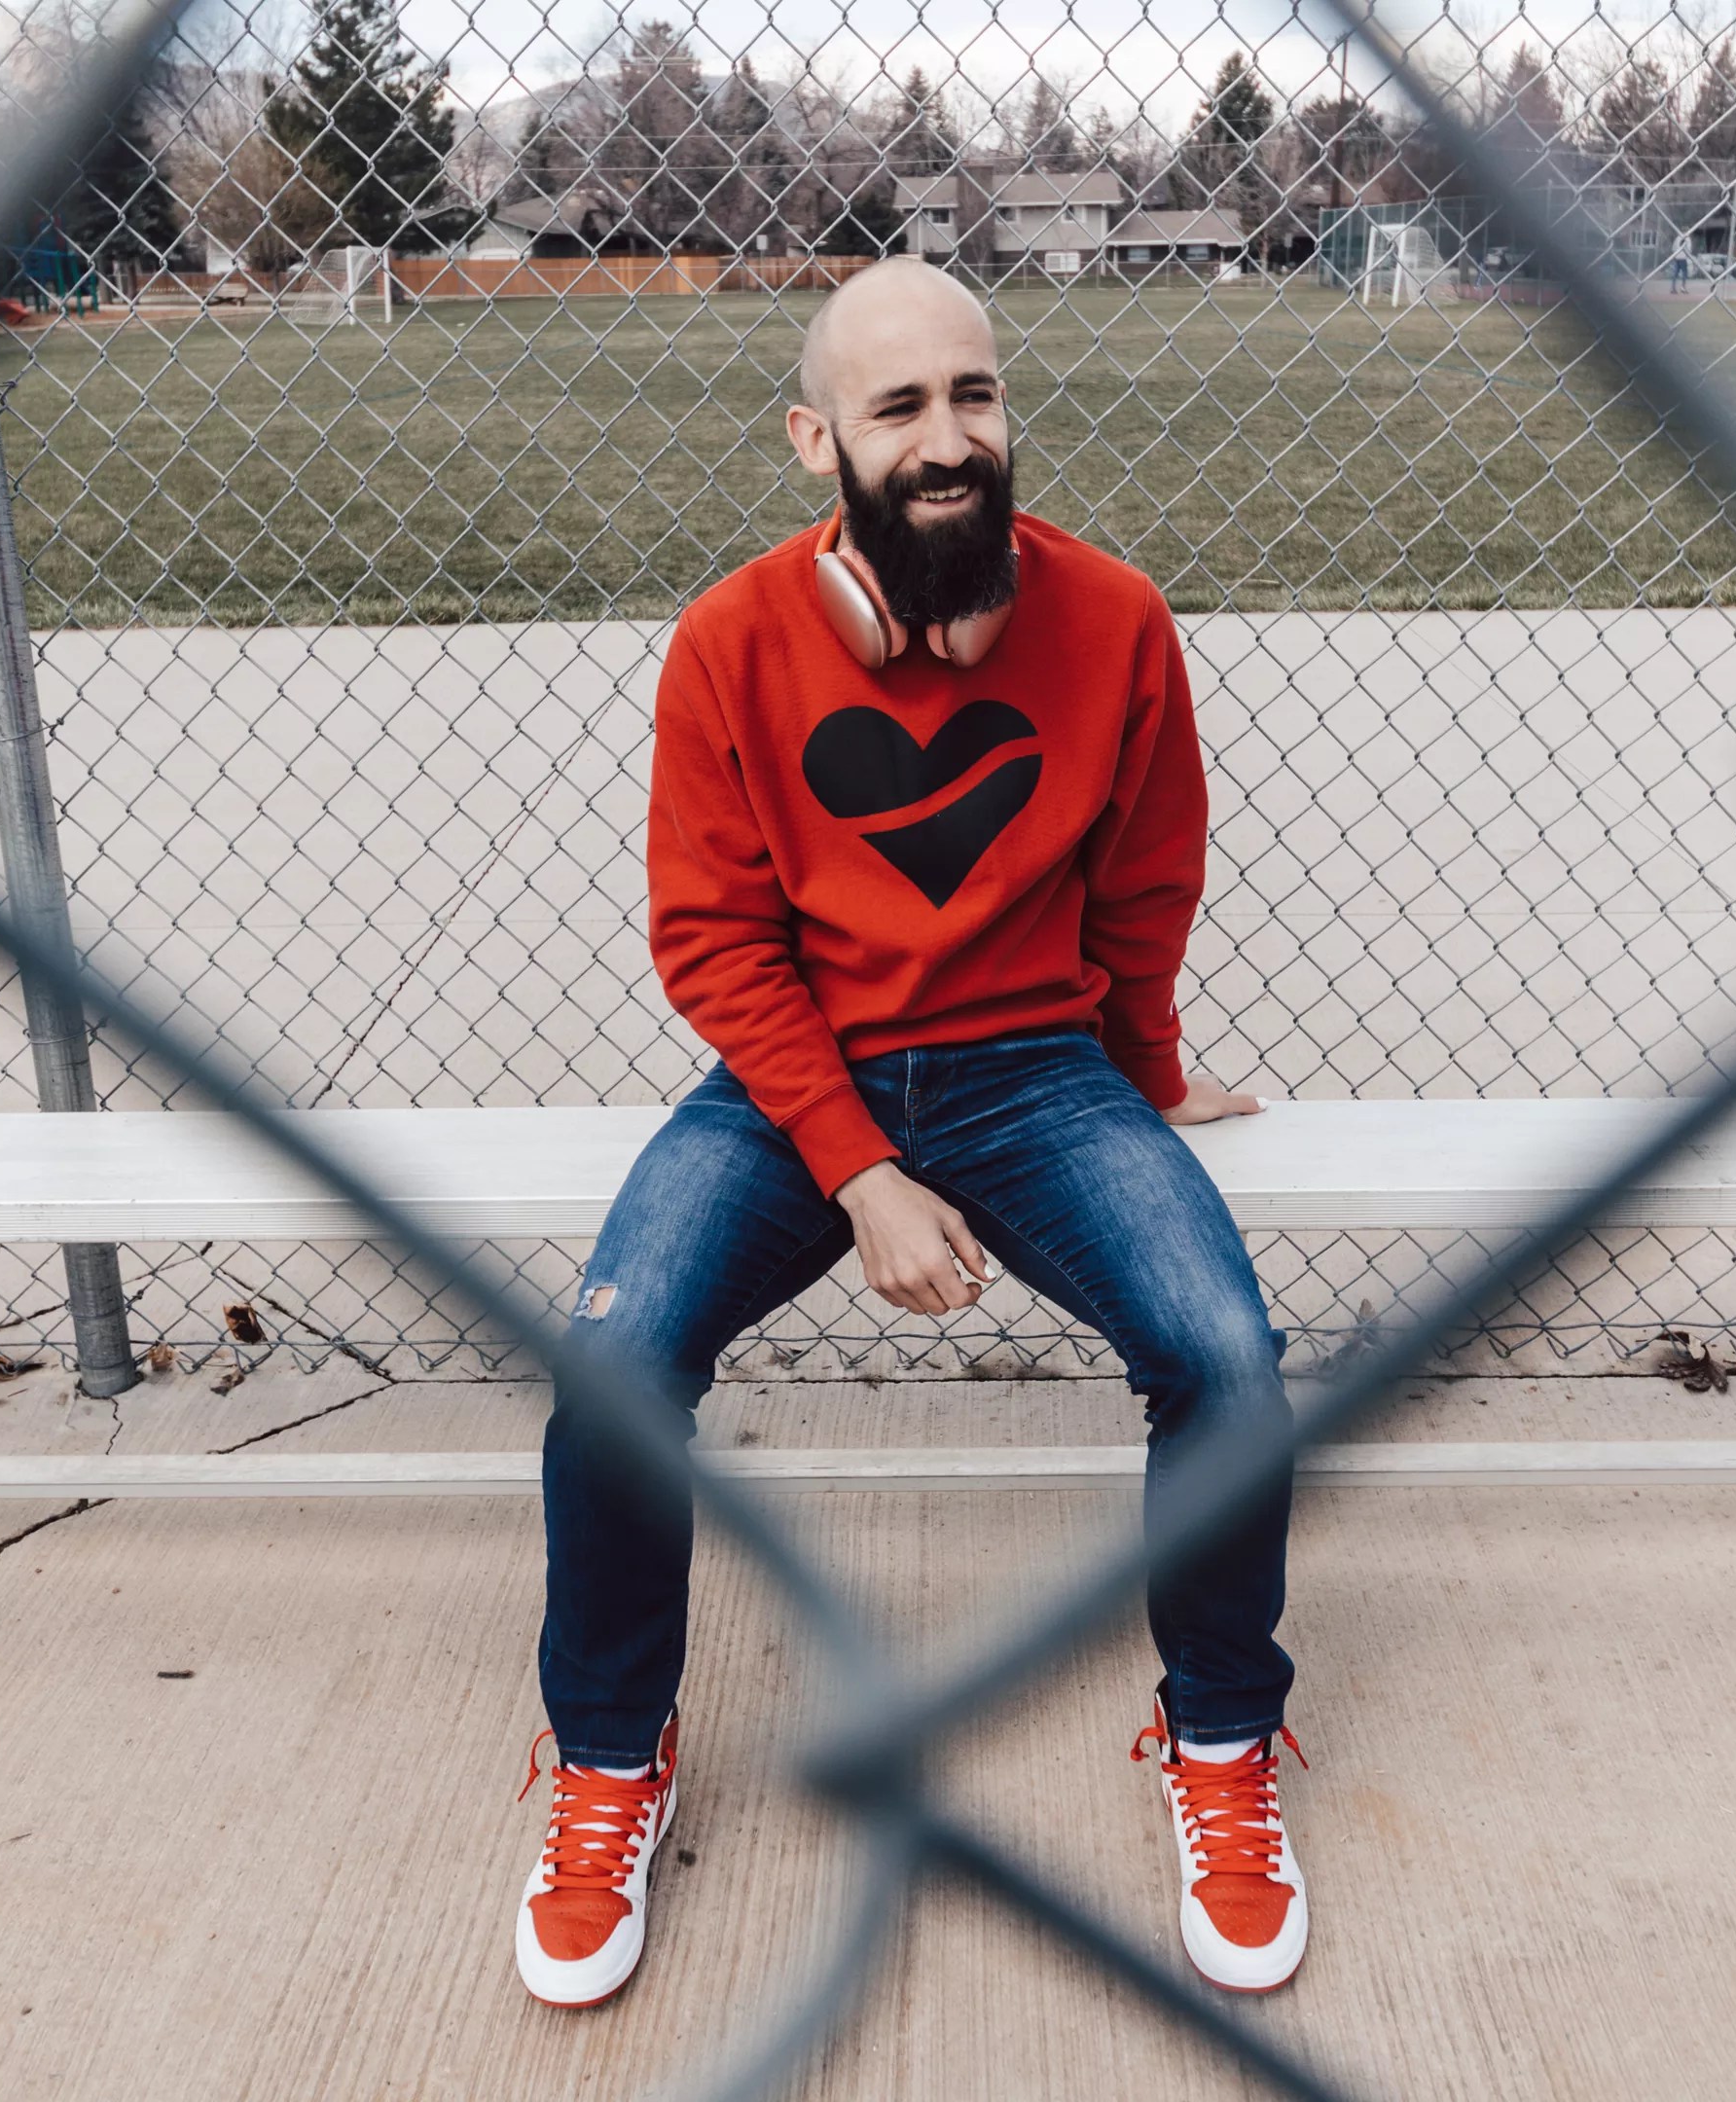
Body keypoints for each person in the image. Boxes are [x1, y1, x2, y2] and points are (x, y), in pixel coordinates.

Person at [512, 258, 1307, 2010]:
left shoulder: (1115, 619)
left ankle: (1224, 1742)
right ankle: (605, 1761)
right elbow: (711, 939)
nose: (950, 440)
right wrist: (858, 1167)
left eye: (976, 394)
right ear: (818, 440)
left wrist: (1150, 1069)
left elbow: (1147, 882)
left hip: (1037, 1068)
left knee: (1226, 1351)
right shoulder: (730, 643)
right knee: (617, 1358)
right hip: (804, 1081)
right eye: (898, 407)